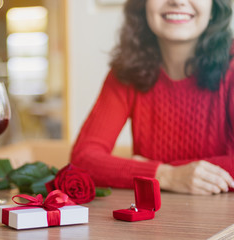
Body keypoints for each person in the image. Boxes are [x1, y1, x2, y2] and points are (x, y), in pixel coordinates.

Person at [71, 0, 234, 195]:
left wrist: (137, 169)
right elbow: (83, 159)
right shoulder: (127, 70)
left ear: (214, 8)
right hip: (154, 220)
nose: (177, 1)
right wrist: (165, 175)